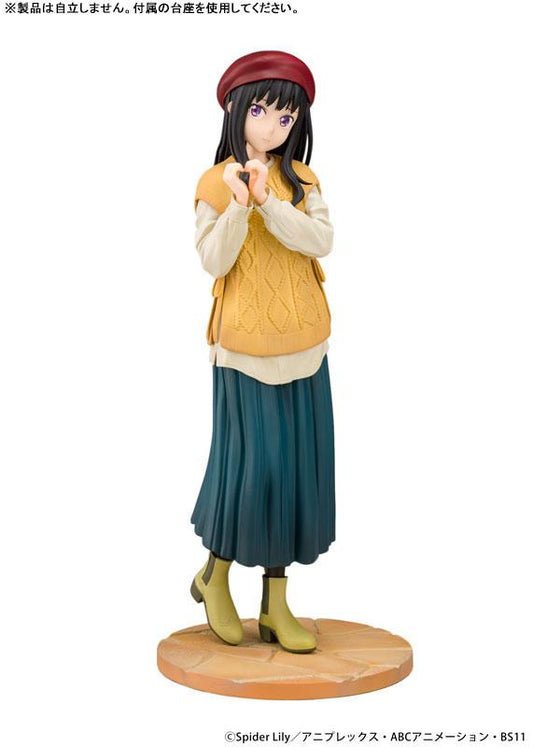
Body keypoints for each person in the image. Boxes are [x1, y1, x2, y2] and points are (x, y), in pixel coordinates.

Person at [189, 50, 335, 654]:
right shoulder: (214, 183)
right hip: (245, 353)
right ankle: (215, 574)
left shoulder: (304, 181)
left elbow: (321, 240)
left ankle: (275, 602)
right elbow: (213, 259)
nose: (273, 125)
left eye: (286, 116)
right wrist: (240, 204)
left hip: (306, 347)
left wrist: (271, 201)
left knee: (297, 476)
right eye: (261, 111)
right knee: (249, 470)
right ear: (235, 111)